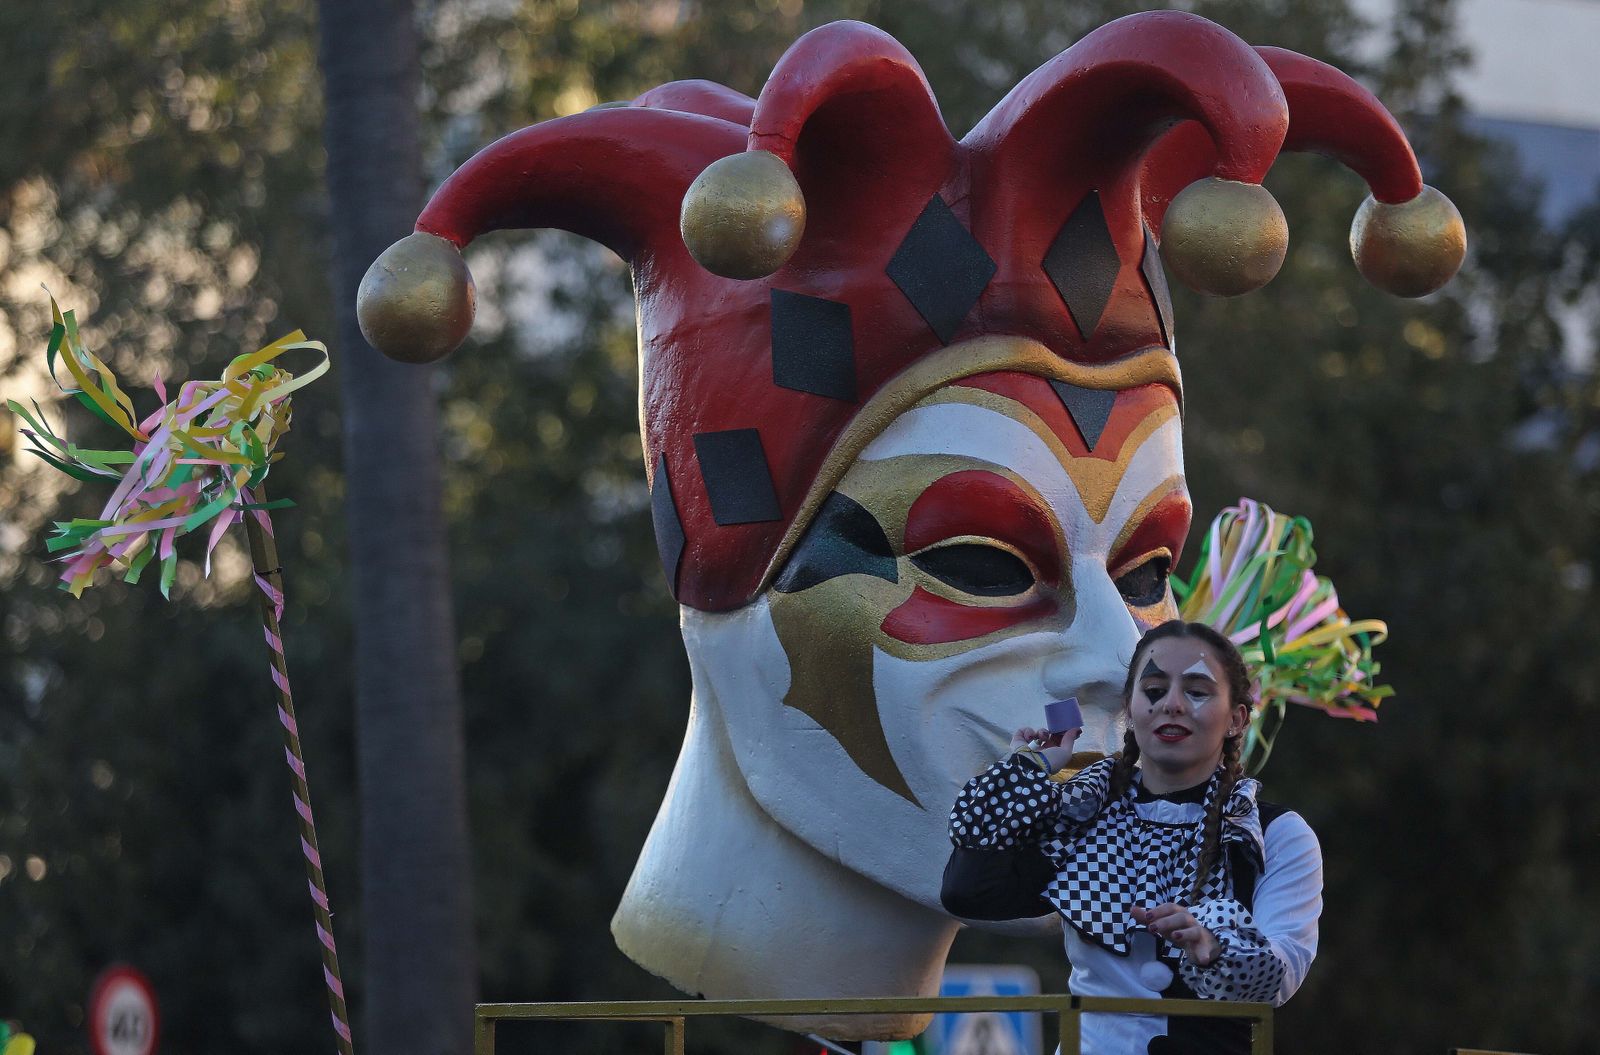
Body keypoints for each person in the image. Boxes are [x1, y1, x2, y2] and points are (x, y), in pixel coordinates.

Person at [942, 621, 1322, 1055]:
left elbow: (1283, 973)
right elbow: (969, 894)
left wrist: (1213, 945)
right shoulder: (1083, 812)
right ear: (1129, 707)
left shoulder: (1271, 833)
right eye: (1155, 690)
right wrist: (1029, 769)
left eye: (1197, 691)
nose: (1172, 704)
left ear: (1236, 720)